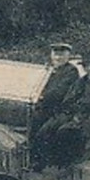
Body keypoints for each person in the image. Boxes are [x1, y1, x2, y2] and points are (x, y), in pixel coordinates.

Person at [33, 52, 90, 169]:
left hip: (89, 117)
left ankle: (64, 164)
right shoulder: (81, 81)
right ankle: (43, 161)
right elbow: (68, 100)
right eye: (86, 66)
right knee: (45, 130)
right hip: (72, 113)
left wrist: (79, 104)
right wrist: (74, 106)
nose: (89, 69)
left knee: (64, 132)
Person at [30, 42, 81, 170]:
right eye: (55, 54)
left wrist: (40, 96)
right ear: (51, 55)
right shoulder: (48, 69)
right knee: (26, 124)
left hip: (64, 111)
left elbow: (58, 92)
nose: (58, 58)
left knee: (44, 132)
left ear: (68, 55)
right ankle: (28, 157)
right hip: (47, 108)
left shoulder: (71, 71)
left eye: (62, 55)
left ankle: (43, 164)